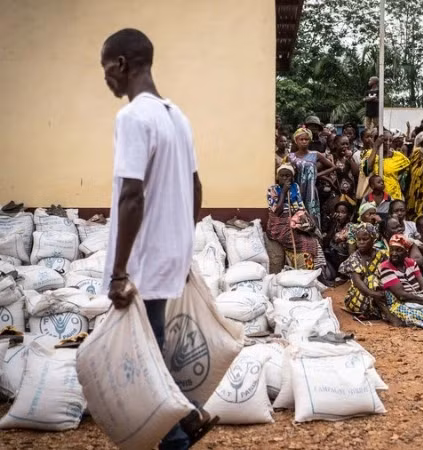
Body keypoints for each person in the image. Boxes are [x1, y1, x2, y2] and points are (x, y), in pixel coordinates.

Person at [100, 28, 215, 448]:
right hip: (168, 258)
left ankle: (178, 434)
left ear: (122, 64)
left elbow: (131, 196)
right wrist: (181, 245)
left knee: (142, 363)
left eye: (106, 68)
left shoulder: (132, 117)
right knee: (155, 349)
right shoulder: (176, 117)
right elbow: (196, 188)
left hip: (141, 265)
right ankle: (186, 417)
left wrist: (118, 272)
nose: (106, 78)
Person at [267, 165, 322, 269]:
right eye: (282, 176)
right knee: (305, 242)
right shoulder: (273, 189)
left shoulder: (295, 186)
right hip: (280, 224)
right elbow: (277, 211)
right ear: (277, 176)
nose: (284, 178)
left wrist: (305, 219)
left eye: (287, 176)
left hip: (295, 220)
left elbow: (301, 206)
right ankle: (305, 269)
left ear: (292, 177)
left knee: (314, 238)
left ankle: (318, 272)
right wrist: (283, 192)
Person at [339, 223, 395, 321]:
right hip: (359, 298)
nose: (361, 242)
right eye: (359, 239)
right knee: (371, 279)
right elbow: (358, 282)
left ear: (373, 239)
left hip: (379, 294)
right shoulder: (354, 258)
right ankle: (387, 314)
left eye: (365, 239)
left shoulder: (381, 255)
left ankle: (377, 311)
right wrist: (373, 294)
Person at [288, 127, 335, 227]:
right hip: (296, 190)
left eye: (306, 139)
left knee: (311, 214)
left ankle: (314, 239)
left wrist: (317, 175)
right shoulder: (291, 157)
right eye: (301, 139)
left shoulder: (315, 154)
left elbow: (332, 167)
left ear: (309, 140)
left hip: (311, 191)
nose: (304, 141)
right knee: (297, 215)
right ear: (296, 141)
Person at [363, 130, 411, 201]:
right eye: (385, 140)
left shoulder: (397, 156)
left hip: (394, 195)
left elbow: (407, 168)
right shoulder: (371, 154)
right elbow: (366, 170)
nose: (388, 143)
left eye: (390, 140)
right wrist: (375, 147)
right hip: (377, 196)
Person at [323, 200, 353, 280]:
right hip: (333, 256)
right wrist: (332, 223)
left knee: (340, 245)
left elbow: (338, 239)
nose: (340, 215)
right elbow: (326, 241)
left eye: (343, 212)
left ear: (348, 215)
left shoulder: (350, 226)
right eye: (338, 212)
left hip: (344, 256)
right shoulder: (334, 224)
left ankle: (343, 274)